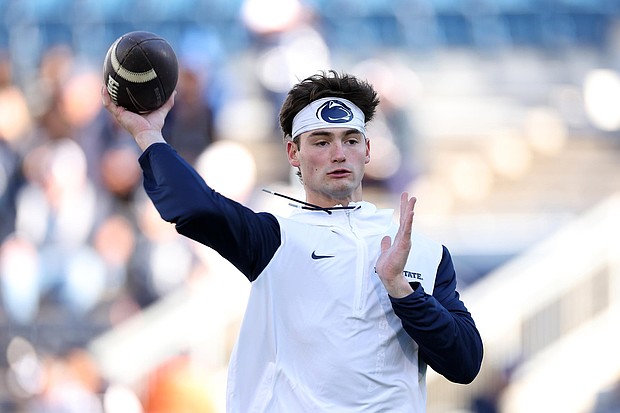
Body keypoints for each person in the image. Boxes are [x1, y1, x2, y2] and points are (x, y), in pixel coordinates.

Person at [102, 70, 483, 412]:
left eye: (351, 140)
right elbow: (195, 208)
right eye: (320, 141)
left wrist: (401, 289)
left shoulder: (424, 253)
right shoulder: (276, 239)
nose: (338, 154)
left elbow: (465, 363)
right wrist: (148, 134)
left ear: (367, 150)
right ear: (293, 153)